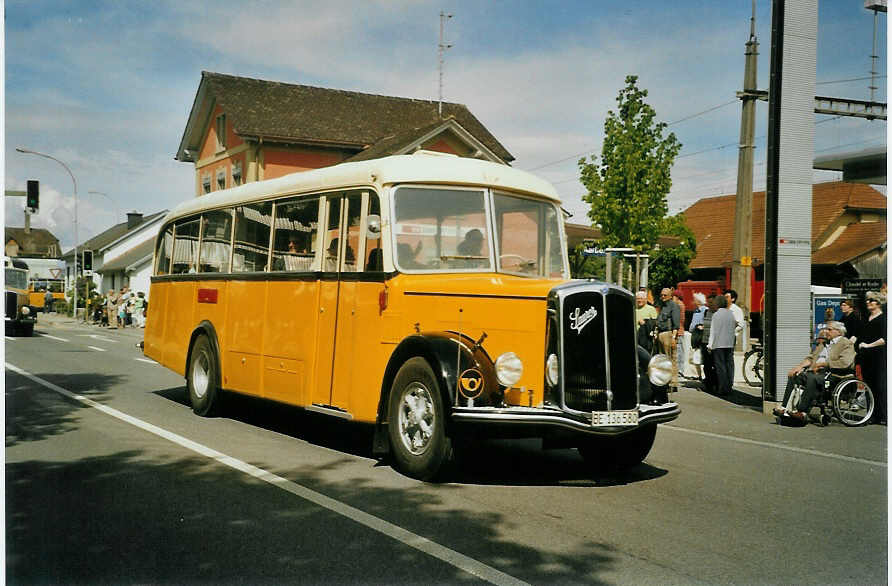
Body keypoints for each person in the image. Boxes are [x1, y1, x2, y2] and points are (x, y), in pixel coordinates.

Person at [773, 321, 856, 424]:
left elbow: (845, 362)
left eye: (829, 329)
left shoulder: (846, 343)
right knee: (796, 376)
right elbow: (811, 358)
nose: (826, 332)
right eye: (826, 329)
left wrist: (823, 364)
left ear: (838, 332)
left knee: (812, 378)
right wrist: (798, 367)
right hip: (819, 373)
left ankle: (802, 412)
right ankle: (785, 408)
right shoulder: (824, 343)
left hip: (836, 375)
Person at [859, 293, 886, 424]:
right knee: (868, 385)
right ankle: (872, 415)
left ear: (878, 303)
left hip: (879, 356)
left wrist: (869, 345)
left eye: (872, 300)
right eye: (867, 300)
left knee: (880, 386)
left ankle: (884, 415)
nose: (868, 302)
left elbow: (884, 339)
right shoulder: (866, 318)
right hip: (867, 357)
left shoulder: (883, 319)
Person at [708, 294, 736, 396]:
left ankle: (722, 387)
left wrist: (710, 345)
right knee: (729, 365)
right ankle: (729, 386)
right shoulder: (731, 314)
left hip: (719, 343)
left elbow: (713, 331)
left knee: (720, 367)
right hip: (729, 343)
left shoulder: (716, 315)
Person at [655, 287, 681, 391]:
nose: (662, 297)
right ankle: (665, 381)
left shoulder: (674, 306)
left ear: (670, 296)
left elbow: (676, 324)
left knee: (670, 359)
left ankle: (672, 383)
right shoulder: (663, 306)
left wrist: (674, 338)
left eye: (665, 295)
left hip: (669, 334)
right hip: (661, 334)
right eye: (661, 295)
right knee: (663, 360)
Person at [700, 295, 719, 392]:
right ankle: (709, 384)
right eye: (708, 302)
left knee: (715, 364)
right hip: (705, 341)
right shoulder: (706, 312)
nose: (709, 305)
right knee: (706, 365)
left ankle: (715, 383)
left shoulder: (718, 314)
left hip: (714, 343)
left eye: (711, 303)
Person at [688, 292, 708, 380]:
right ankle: (699, 375)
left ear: (699, 301)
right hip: (695, 336)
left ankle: (703, 375)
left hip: (701, 337)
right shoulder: (696, 311)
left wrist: (702, 327)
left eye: (694, 300)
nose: (693, 301)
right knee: (695, 357)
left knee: (701, 357)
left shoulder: (705, 310)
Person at [673, 290, 688, 378]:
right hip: (680, 330)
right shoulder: (681, 304)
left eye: (673, 296)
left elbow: (678, 320)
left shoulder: (678, 305)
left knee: (678, 351)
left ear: (677, 297)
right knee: (679, 351)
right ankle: (679, 370)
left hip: (678, 331)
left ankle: (679, 370)